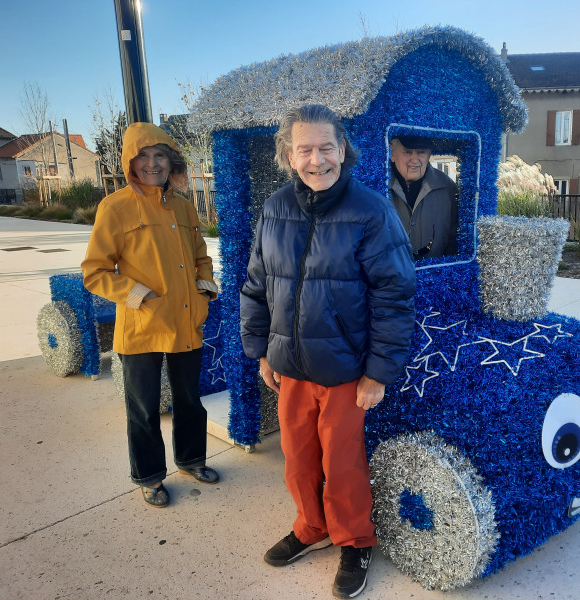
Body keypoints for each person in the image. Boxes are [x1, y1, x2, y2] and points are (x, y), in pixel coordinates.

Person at [239, 104, 415, 599]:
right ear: (288, 156)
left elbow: (395, 297)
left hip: (345, 371)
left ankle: (355, 540)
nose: (316, 159)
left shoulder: (371, 211)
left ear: (343, 149)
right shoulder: (273, 209)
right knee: (297, 460)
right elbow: (256, 287)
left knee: (343, 466)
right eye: (304, 149)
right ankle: (310, 528)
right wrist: (261, 351)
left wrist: (378, 372)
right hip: (291, 367)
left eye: (325, 147)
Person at [82, 122, 220, 508]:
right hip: (141, 327)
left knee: (190, 400)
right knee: (143, 409)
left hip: (185, 322)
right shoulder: (115, 207)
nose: (152, 164)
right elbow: (95, 272)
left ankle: (192, 460)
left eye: (160, 155)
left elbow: (200, 256)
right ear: (130, 161)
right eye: (143, 156)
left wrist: (204, 287)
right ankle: (149, 476)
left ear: (170, 161)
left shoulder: (184, 205)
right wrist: (137, 295)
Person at [389, 135, 459, 260]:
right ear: (392, 153)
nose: (414, 160)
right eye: (408, 152)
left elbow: (454, 240)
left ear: (429, 155)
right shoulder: (376, 185)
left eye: (421, 152)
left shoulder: (447, 187)